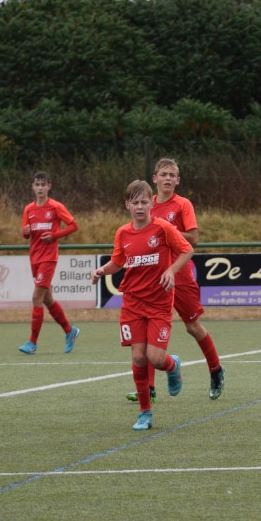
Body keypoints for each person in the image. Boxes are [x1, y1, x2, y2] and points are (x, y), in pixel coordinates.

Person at [91, 180, 193, 430]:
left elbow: (187, 249)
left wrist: (170, 270)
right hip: (133, 303)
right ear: (127, 205)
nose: (140, 207)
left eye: (144, 202)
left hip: (159, 303)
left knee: (155, 358)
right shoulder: (122, 233)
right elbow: (118, 262)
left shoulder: (163, 228)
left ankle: (172, 365)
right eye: (135, 202)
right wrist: (102, 270)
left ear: (151, 204)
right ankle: (145, 413)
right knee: (138, 357)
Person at [123, 158, 225, 403]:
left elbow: (194, 239)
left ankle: (216, 370)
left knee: (193, 327)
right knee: (147, 331)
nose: (167, 178)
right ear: (155, 178)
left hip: (180, 277)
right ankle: (148, 388)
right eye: (163, 174)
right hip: (155, 280)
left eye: (172, 175)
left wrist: (166, 230)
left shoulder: (182, 204)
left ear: (177, 180)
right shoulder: (146, 203)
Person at [18, 172, 80, 355]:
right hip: (34, 258)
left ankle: (32, 343)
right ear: (32, 186)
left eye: (43, 184)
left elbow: (73, 225)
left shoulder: (55, 207)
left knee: (36, 297)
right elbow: (26, 234)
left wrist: (54, 235)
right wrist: (25, 232)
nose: (40, 188)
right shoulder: (29, 209)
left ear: (48, 186)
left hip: (49, 258)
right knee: (47, 299)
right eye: (37, 184)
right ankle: (70, 331)